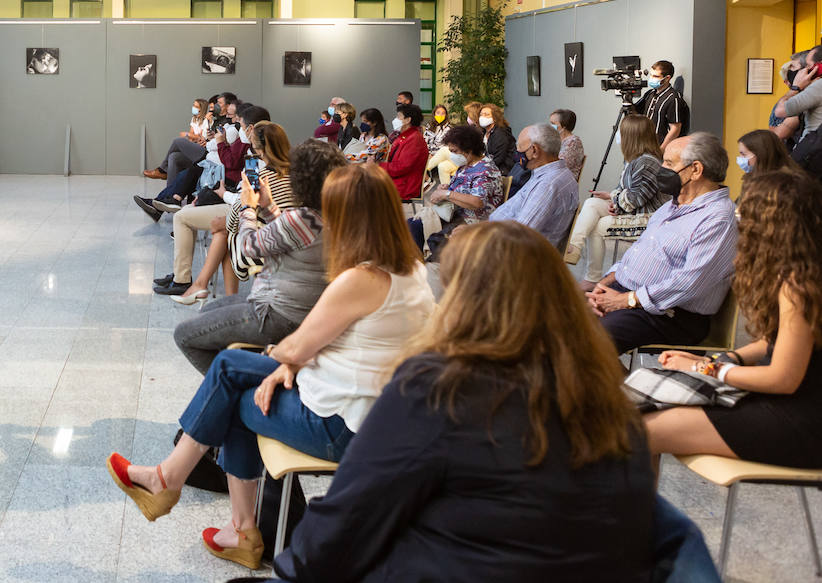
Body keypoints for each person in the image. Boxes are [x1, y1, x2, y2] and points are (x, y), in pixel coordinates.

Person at [270, 221, 654, 582]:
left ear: (463, 301)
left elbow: (346, 522)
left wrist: (288, 570)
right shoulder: (612, 404)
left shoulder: (439, 391)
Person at [110, 163, 433, 572]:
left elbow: (297, 344)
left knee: (232, 393)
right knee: (230, 370)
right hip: (376, 410)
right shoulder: (412, 269)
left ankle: (212, 509)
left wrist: (288, 360)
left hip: (342, 424)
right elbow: (335, 344)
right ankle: (204, 503)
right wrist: (289, 362)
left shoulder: (361, 278)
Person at [643, 169, 822, 472]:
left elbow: (782, 379)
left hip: (800, 420)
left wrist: (708, 368)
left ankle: (649, 520)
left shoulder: (798, 285)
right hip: (793, 407)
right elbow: (778, 341)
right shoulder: (803, 272)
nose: (739, 218)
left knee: (636, 431)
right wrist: (726, 358)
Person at [172, 141, 348, 374]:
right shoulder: (328, 213)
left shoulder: (303, 217)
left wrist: (248, 208)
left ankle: (235, 385)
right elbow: (290, 235)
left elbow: (248, 246)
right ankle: (238, 374)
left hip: (278, 313)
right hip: (296, 307)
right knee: (207, 314)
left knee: (185, 335)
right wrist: (267, 206)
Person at [586, 133, 739, 353]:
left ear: (695, 170)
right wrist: (603, 286)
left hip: (669, 315)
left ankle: (610, 386)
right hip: (628, 296)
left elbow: (689, 284)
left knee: (585, 342)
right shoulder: (673, 204)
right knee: (556, 321)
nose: (661, 169)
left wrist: (625, 300)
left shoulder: (718, 219)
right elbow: (635, 254)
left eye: (669, 163)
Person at [159, 122, 296, 303]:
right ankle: (203, 287)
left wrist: (224, 199)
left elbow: (242, 207)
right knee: (220, 229)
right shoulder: (294, 170)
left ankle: (187, 281)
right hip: (272, 224)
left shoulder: (256, 169)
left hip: (255, 224)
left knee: (194, 220)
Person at [564, 113, 666, 279]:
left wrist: (616, 203)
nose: (619, 135)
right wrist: (613, 197)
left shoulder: (647, 162)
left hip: (648, 218)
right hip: (632, 211)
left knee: (599, 226)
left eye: (621, 131)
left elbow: (634, 199)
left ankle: (592, 278)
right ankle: (574, 247)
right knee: (591, 203)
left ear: (631, 136)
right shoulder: (633, 160)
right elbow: (622, 189)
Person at [408, 123, 504, 256]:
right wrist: (446, 189)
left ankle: (420, 265)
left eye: (454, 151)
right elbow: (459, 190)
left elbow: (477, 202)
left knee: (417, 228)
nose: (452, 155)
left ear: (469, 150)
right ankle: (417, 264)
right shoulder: (466, 165)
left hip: (471, 222)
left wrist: (447, 193)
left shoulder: (485, 170)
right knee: (413, 224)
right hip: (454, 215)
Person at [489, 124, 580, 246]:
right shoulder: (552, 174)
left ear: (535, 150)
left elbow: (520, 234)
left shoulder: (548, 184)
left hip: (511, 254)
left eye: (520, 147)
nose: (517, 152)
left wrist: (478, 236)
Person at [635, 59, 690, 149]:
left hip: (659, 147)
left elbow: (675, 129)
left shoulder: (673, 98)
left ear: (667, 78)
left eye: (656, 76)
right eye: (651, 75)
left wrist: (662, 150)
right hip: (645, 144)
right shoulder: (650, 94)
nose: (652, 78)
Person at [772, 45, 822, 141]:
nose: (803, 71)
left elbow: (779, 112)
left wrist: (795, 88)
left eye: (807, 65)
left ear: (819, 67)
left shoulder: (818, 87)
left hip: (812, 150)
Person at [382, 103, 427, 200]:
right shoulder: (404, 136)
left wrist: (377, 166)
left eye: (399, 116)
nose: (395, 119)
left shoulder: (414, 139)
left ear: (408, 120)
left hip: (405, 185)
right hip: (398, 181)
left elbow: (401, 167)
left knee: (362, 189)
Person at [478, 103, 517, 175]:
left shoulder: (501, 133)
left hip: (503, 170)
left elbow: (498, 158)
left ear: (495, 117)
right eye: (481, 115)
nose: (483, 117)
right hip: (490, 168)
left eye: (486, 114)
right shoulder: (484, 132)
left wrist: (481, 168)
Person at [549, 108, 585, 180]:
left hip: (563, 181)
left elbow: (558, 166)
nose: (550, 126)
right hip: (553, 178)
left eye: (553, 124)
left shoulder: (574, 142)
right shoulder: (556, 140)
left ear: (564, 126)